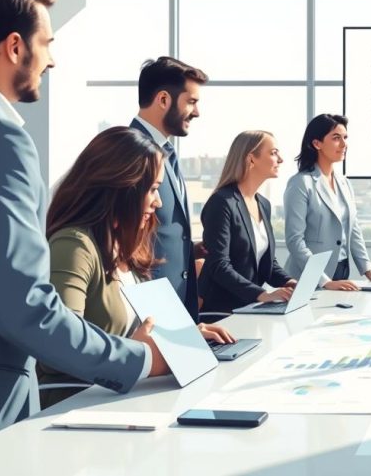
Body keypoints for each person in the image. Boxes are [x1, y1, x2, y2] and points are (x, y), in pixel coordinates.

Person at [0, 0, 166, 453]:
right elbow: (23, 309)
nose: (52, 59)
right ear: (13, 47)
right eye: (45, 43)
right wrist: (140, 360)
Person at [39, 127, 234, 407]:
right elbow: (60, 350)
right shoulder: (74, 245)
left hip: (134, 400)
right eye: (153, 189)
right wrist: (139, 352)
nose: (159, 202)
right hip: (85, 408)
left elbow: (146, 330)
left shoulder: (126, 247)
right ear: (122, 185)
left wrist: (182, 337)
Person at [129, 56, 207, 319]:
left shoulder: (166, 152)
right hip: (151, 307)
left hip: (177, 303)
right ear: (163, 100)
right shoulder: (131, 152)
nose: (197, 112)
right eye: (192, 102)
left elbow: (157, 229)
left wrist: (189, 247)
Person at [284, 114, 371, 290]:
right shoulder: (301, 183)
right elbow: (295, 241)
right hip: (308, 278)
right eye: (336, 138)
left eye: (345, 138)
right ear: (316, 143)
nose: (344, 144)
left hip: (341, 270)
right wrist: (325, 281)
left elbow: (353, 229)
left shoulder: (344, 183)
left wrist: (369, 272)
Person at [200, 131, 300, 311]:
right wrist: (262, 294)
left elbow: (266, 263)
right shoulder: (222, 202)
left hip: (251, 307)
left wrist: (290, 282)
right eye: (273, 153)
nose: (281, 159)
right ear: (251, 159)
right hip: (222, 309)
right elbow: (218, 265)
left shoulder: (263, 204)